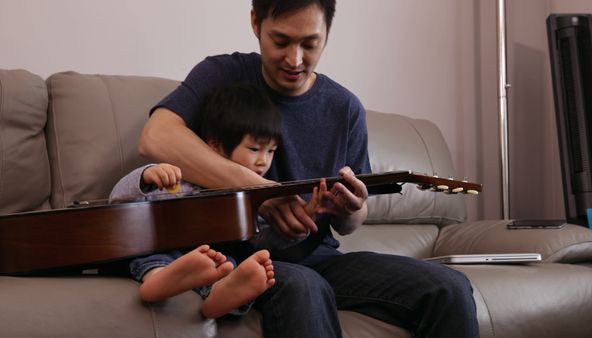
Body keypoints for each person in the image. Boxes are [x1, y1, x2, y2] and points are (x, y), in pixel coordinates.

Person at [137, 1, 480, 337]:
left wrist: (354, 208)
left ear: (327, 33)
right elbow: (157, 137)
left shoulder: (345, 108)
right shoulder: (222, 74)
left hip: (317, 256)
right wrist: (260, 191)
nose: (295, 59)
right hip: (237, 261)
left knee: (448, 288)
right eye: (281, 41)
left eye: (310, 43)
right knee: (305, 286)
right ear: (256, 23)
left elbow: (350, 225)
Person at [110, 83, 325, 319]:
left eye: (271, 151)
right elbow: (119, 201)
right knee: (153, 250)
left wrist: (299, 226)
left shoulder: (253, 202)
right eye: (254, 149)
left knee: (228, 265)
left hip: (207, 260)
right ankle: (158, 278)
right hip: (161, 247)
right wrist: (148, 175)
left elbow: (261, 240)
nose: (264, 161)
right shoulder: (183, 180)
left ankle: (219, 296)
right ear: (216, 146)